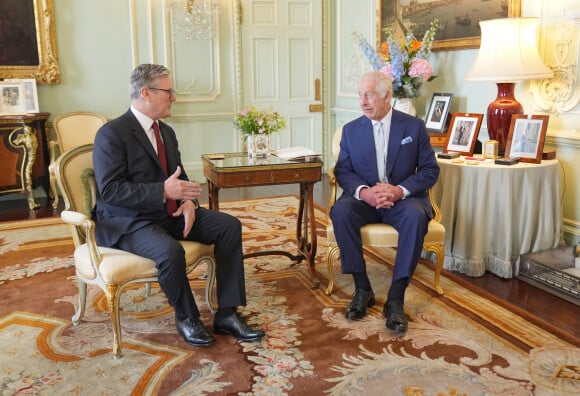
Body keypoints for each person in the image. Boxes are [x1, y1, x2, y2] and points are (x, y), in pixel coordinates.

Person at [92, 63, 265, 347]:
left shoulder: (167, 133)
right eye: (168, 92)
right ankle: (187, 318)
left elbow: (179, 177)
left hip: (169, 213)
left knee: (228, 226)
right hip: (130, 221)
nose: (174, 98)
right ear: (146, 93)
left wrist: (188, 202)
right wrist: (162, 191)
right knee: (170, 252)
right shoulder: (111, 134)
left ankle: (227, 313)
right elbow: (111, 191)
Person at [330, 71, 440, 332]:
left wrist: (399, 191)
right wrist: (365, 192)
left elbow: (429, 170)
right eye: (360, 95)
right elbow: (343, 171)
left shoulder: (413, 127)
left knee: (415, 216)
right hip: (364, 199)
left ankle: (395, 298)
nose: (363, 101)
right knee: (341, 211)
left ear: (387, 95)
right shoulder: (351, 130)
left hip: (402, 200)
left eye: (369, 95)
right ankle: (362, 288)